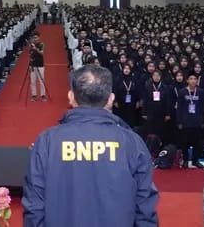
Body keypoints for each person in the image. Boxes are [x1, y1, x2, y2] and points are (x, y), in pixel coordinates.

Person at [23, 64, 158, 227]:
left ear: (71, 97)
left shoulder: (48, 141)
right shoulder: (132, 142)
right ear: (111, 99)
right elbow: (145, 209)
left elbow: (34, 207)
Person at [176, 73, 204, 168]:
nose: (193, 80)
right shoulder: (182, 92)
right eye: (191, 79)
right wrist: (179, 121)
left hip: (197, 121)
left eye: (195, 79)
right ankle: (185, 160)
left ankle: (195, 161)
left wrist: (202, 120)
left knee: (197, 143)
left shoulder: (201, 92)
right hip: (185, 122)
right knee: (185, 143)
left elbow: (203, 107)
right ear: (187, 80)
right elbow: (179, 108)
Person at [29, 34, 47, 101]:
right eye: (34, 37)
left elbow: (42, 53)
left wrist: (35, 48)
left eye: (36, 37)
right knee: (33, 81)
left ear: (39, 38)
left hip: (40, 64)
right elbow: (30, 55)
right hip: (33, 65)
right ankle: (34, 95)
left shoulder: (41, 44)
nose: (35, 39)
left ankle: (43, 95)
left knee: (41, 80)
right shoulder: (31, 45)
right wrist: (30, 65)